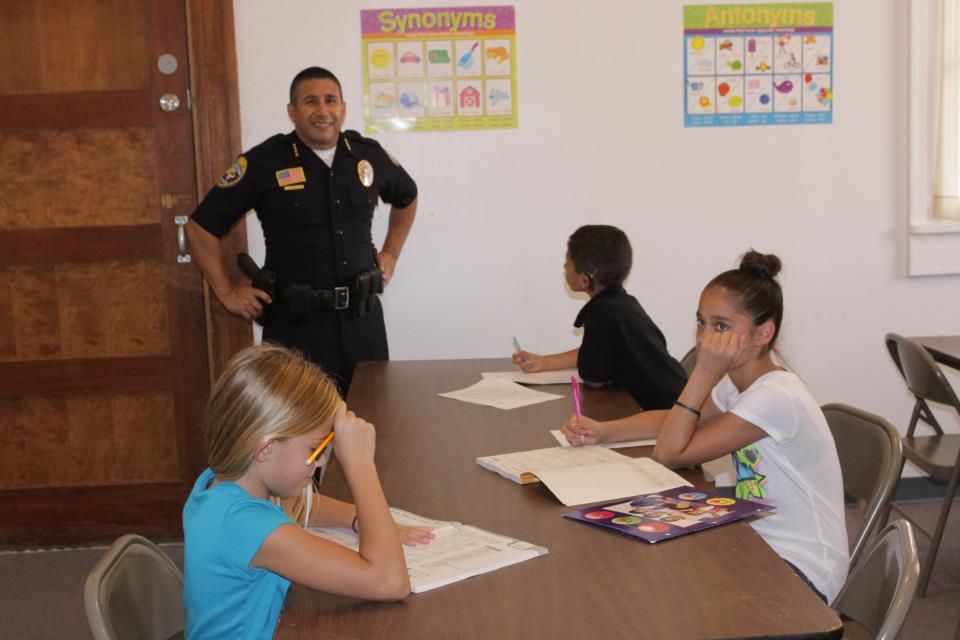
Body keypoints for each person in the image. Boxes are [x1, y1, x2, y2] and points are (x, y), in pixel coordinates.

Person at [560, 250, 848, 603]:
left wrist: (702, 373)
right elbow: (674, 418)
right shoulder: (738, 384)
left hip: (803, 567)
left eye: (721, 326)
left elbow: (670, 452)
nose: (705, 338)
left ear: (763, 334)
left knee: (669, 597)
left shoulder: (776, 397)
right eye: (701, 322)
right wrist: (606, 430)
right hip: (755, 540)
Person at [186, 66, 418, 393]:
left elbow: (407, 197)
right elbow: (199, 228)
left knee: (370, 420)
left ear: (343, 108)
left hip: (363, 324)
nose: (322, 111)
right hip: (295, 329)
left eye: (330, 100)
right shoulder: (264, 163)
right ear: (292, 112)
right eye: (310, 102)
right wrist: (226, 291)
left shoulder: (368, 156)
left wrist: (391, 253)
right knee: (296, 432)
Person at [182, 344, 433, 639]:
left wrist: (360, 520)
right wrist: (360, 463)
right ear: (265, 449)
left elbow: (302, 503)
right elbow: (389, 582)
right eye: (315, 451)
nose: (321, 463)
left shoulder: (220, 484)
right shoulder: (247, 526)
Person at [512, 225, 686, 410]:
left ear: (585, 279)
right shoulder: (624, 304)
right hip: (678, 397)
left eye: (568, 263)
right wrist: (544, 362)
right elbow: (595, 350)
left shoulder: (601, 312)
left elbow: (594, 379)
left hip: (664, 412)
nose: (564, 267)